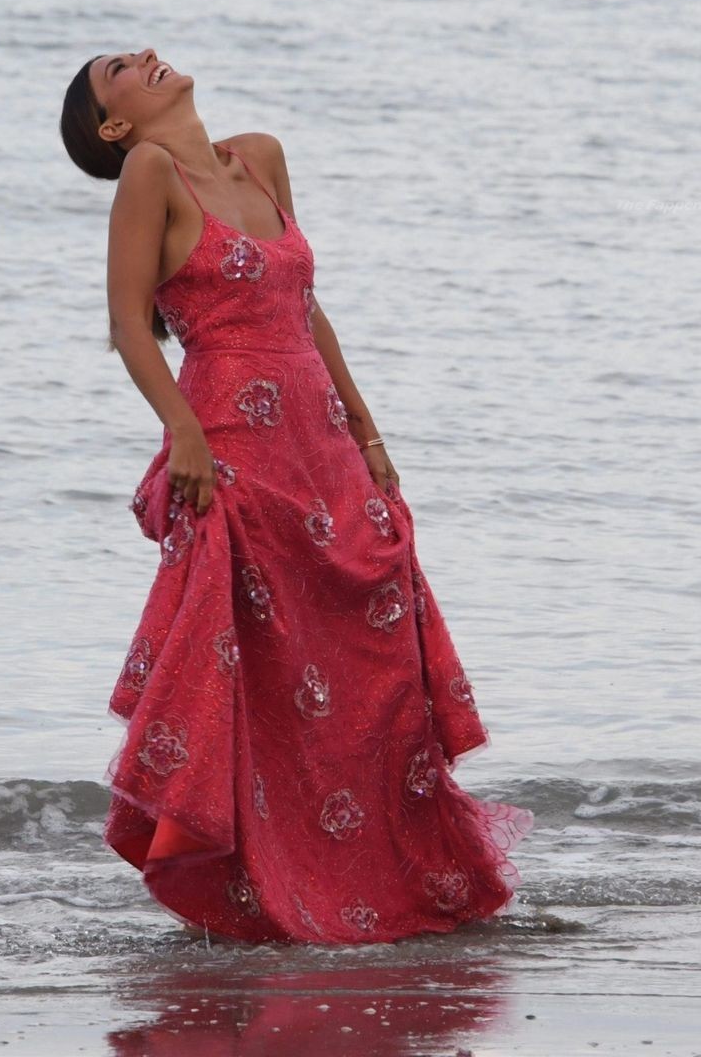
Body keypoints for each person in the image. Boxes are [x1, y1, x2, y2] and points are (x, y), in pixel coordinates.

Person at [58, 47, 533, 943]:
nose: (147, 55)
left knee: (365, 665)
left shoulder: (261, 157)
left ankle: (386, 882)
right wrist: (184, 433)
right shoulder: (150, 172)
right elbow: (129, 323)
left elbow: (304, 306)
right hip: (231, 451)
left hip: (320, 448)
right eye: (119, 67)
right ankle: (259, 895)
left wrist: (367, 429)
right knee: (252, 676)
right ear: (114, 126)